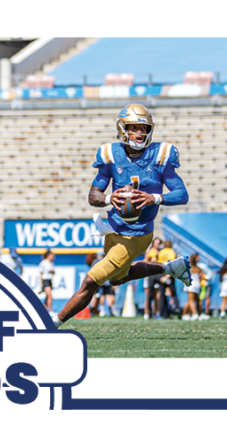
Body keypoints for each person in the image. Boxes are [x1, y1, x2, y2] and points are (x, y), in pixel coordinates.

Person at [51, 104, 191, 329]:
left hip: (137, 235)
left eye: (143, 128)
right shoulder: (111, 155)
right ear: (122, 129)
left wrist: (153, 198)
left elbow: (181, 194)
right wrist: (108, 199)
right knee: (118, 278)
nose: (139, 133)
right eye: (134, 127)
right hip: (113, 230)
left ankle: (52, 323)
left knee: (91, 281)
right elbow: (93, 195)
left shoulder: (161, 155)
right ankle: (170, 268)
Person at [155, 240, 179, 319]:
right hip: (170, 274)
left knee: (162, 294)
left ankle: (162, 313)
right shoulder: (173, 252)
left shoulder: (160, 252)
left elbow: (158, 262)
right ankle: (177, 309)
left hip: (161, 274)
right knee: (173, 293)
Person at [181, 253, 205, 321]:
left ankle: (192, 314)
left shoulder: (188, 267)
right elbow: (202, 277)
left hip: (190, 285)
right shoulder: (198, 269)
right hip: (196, 285)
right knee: (193, 301)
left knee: (190, 301)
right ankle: (192, 314)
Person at [142, 237, 162, 319]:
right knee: (148, 294)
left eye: (158, 243)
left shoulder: (161, 252)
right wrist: (148, 257)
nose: (157, 245)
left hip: (157, 274)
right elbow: (144, 261)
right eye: (156, 243)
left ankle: (156, 312)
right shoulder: (150, 251)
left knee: (157, 295)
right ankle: (147, 312)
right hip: (149, 274)